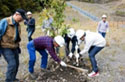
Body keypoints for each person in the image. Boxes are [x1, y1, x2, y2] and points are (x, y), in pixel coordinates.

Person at [0, 9, 27, 82]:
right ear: (17, 14)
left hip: (14, 46)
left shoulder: (17, 24)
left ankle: (13, 78)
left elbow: (16, 37)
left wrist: (18, 46)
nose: (22, 20)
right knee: (12, 64)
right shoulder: (5, 21)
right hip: (5, 47)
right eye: (21, 18)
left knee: (17, 64)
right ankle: (8, 80)